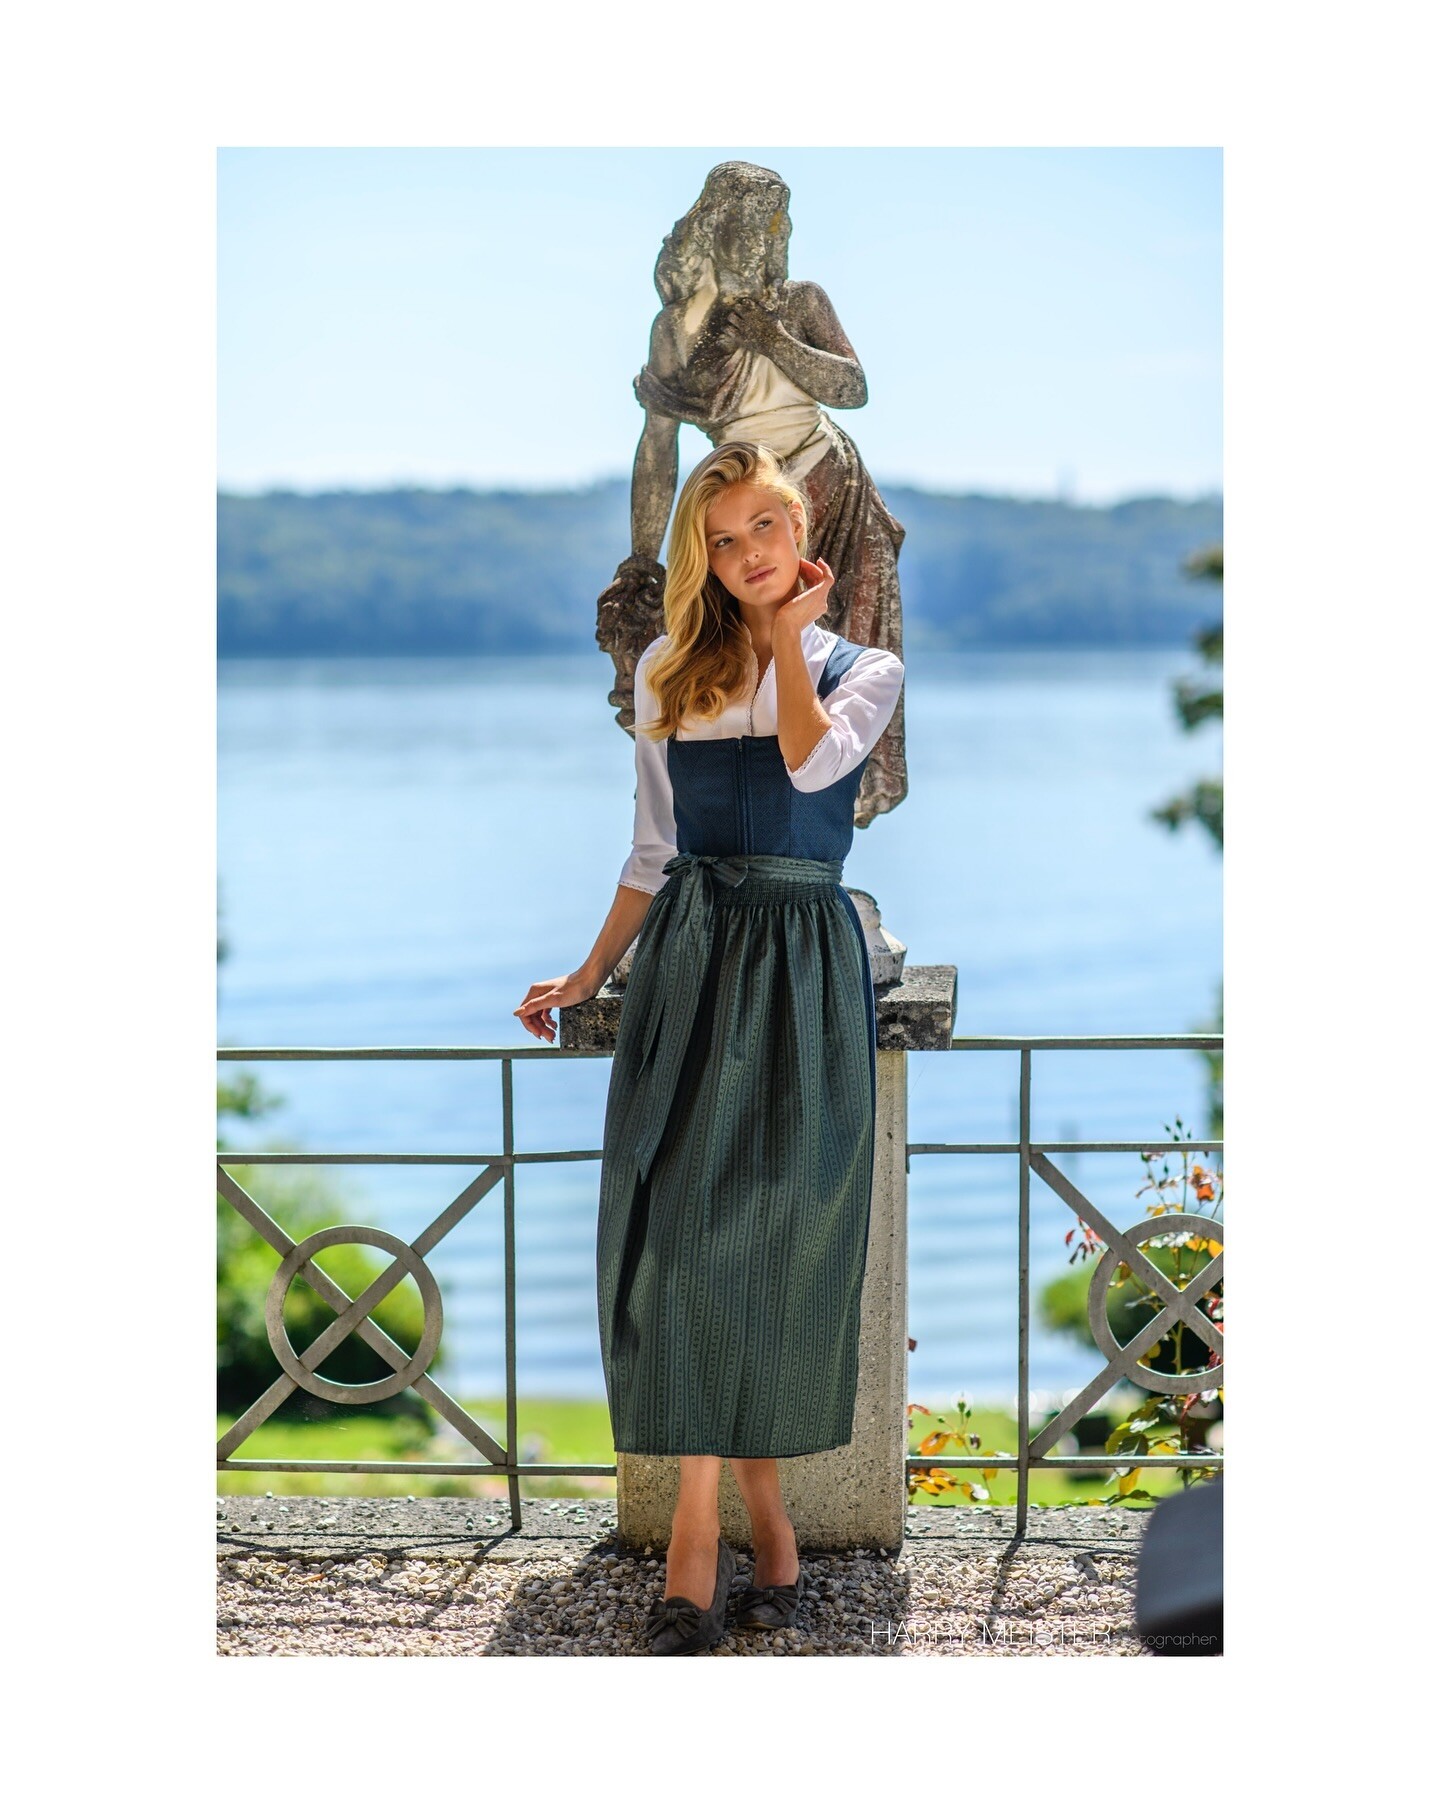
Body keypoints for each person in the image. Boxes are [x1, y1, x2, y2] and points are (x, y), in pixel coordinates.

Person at [516, 441, 904, 1655]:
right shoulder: (665, 668)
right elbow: (652, 851)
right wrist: (590, 973)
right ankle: (703, 1535)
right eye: (723, 540)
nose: (746, 555)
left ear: (803, 533)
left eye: (763, 530)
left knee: (778, 1243)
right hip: (691, 960)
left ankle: (766, 1523)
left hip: (799, 971)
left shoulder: (863, 669)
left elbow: (807, 760)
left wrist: (787, 639)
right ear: (704, 554)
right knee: (675, 1242)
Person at [598, 160, 908, 828]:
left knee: (833, 650)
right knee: (722, 648)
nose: (768, 242)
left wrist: (773, 339)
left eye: (777, 227)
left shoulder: (799, 303)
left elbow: (851, 388)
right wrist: (643, 557)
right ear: (715, 229)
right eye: (752, 227)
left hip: (828, 488)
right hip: (741, 503)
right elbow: (658, 444)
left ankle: (826, 803)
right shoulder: (679, 328)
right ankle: (727, 794)